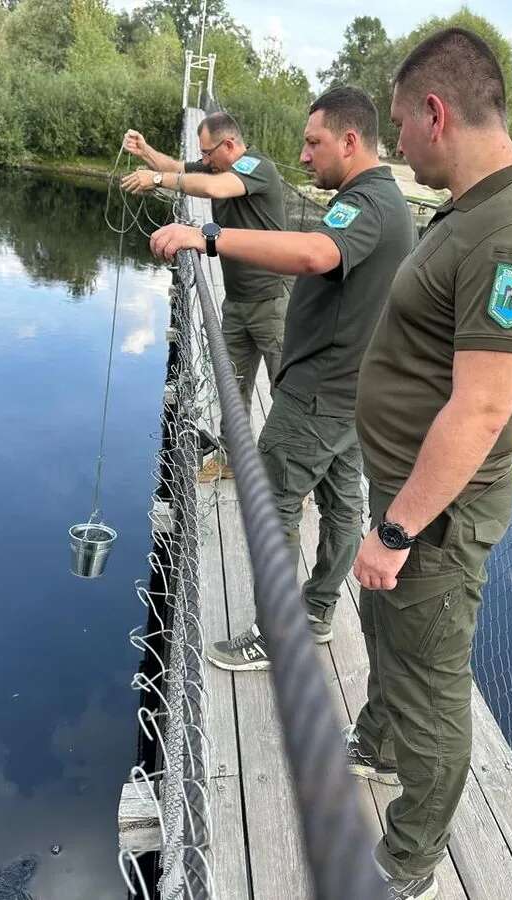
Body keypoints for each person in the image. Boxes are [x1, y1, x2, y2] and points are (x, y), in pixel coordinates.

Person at [348, 28, 512, 900]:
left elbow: (482, 407)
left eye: (401, 122)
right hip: (404, 491)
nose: (396, 141)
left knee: (433, 685)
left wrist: (400, 527)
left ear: (436, 113)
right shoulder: (475, 206)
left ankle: (406, 864)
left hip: (433, 517)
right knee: (388, 638)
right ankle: (376, 745)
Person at [147, 86, 414, 665]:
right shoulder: (380, 200)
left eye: (314, 141)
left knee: (272, 502)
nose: (304, 155)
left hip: (320, 391)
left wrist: (208, 236)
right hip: (354, 390)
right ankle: (316, 614)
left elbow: (316, 253)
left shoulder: (367, 203)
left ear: (350, 140)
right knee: (344, 505)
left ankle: (277, 632)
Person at [122, 112, 288, 479]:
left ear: (229, 145)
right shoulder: (217, 166)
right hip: (236, 301)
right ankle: (231, 460)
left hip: (272, 303)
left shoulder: (256, 166)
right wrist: (145, 152)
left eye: (209, 153)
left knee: (285, 392)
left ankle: (291, 476)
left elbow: (213, 188)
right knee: (232, 385)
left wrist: (156, 179)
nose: (206, 160)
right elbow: (181, 167)